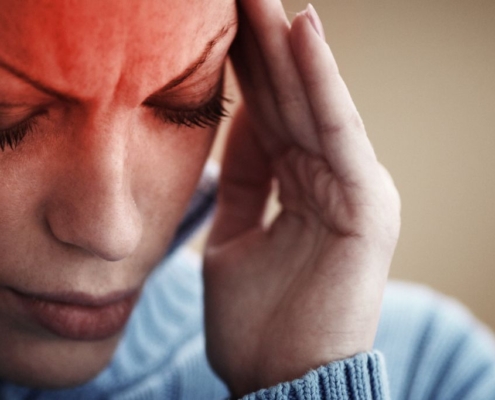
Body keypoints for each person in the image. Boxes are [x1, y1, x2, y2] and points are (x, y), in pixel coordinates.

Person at [0, 0, 494, 399]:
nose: (114, 233)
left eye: (188, 104)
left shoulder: (435, 372)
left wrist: (306, 382)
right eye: (9, 116)